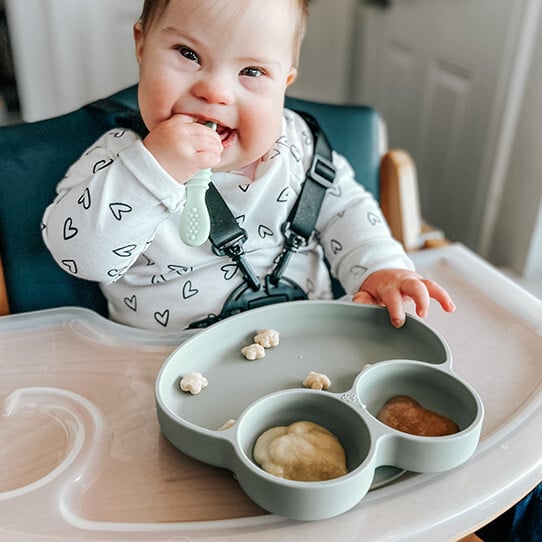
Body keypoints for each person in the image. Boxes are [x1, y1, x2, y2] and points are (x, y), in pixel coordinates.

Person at [42, 0, 455, 331]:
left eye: (252, 71)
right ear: (142, 45)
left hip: (305, 346)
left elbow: (348, 213)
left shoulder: (299, 149)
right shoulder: (118, 161)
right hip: (165, 371)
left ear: (284, 85)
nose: (215, 92)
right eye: (188, 54)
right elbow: (83, 257)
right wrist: (154, 170)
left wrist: (382, 271)